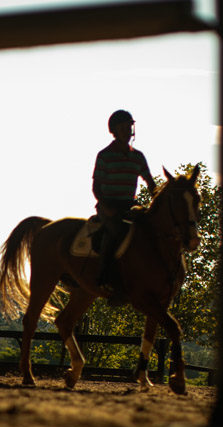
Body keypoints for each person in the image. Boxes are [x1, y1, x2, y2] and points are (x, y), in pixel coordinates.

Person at [92, 110, 155, 297]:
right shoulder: (104, 156)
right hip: (108, 206)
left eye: (129, 127)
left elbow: (151, 184)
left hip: (129, 206)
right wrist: (106, 208)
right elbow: (96, 188)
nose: (127, 131)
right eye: (122, 127)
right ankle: (106, 278)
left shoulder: (138, 157)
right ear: (114, 131)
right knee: (117, 232)